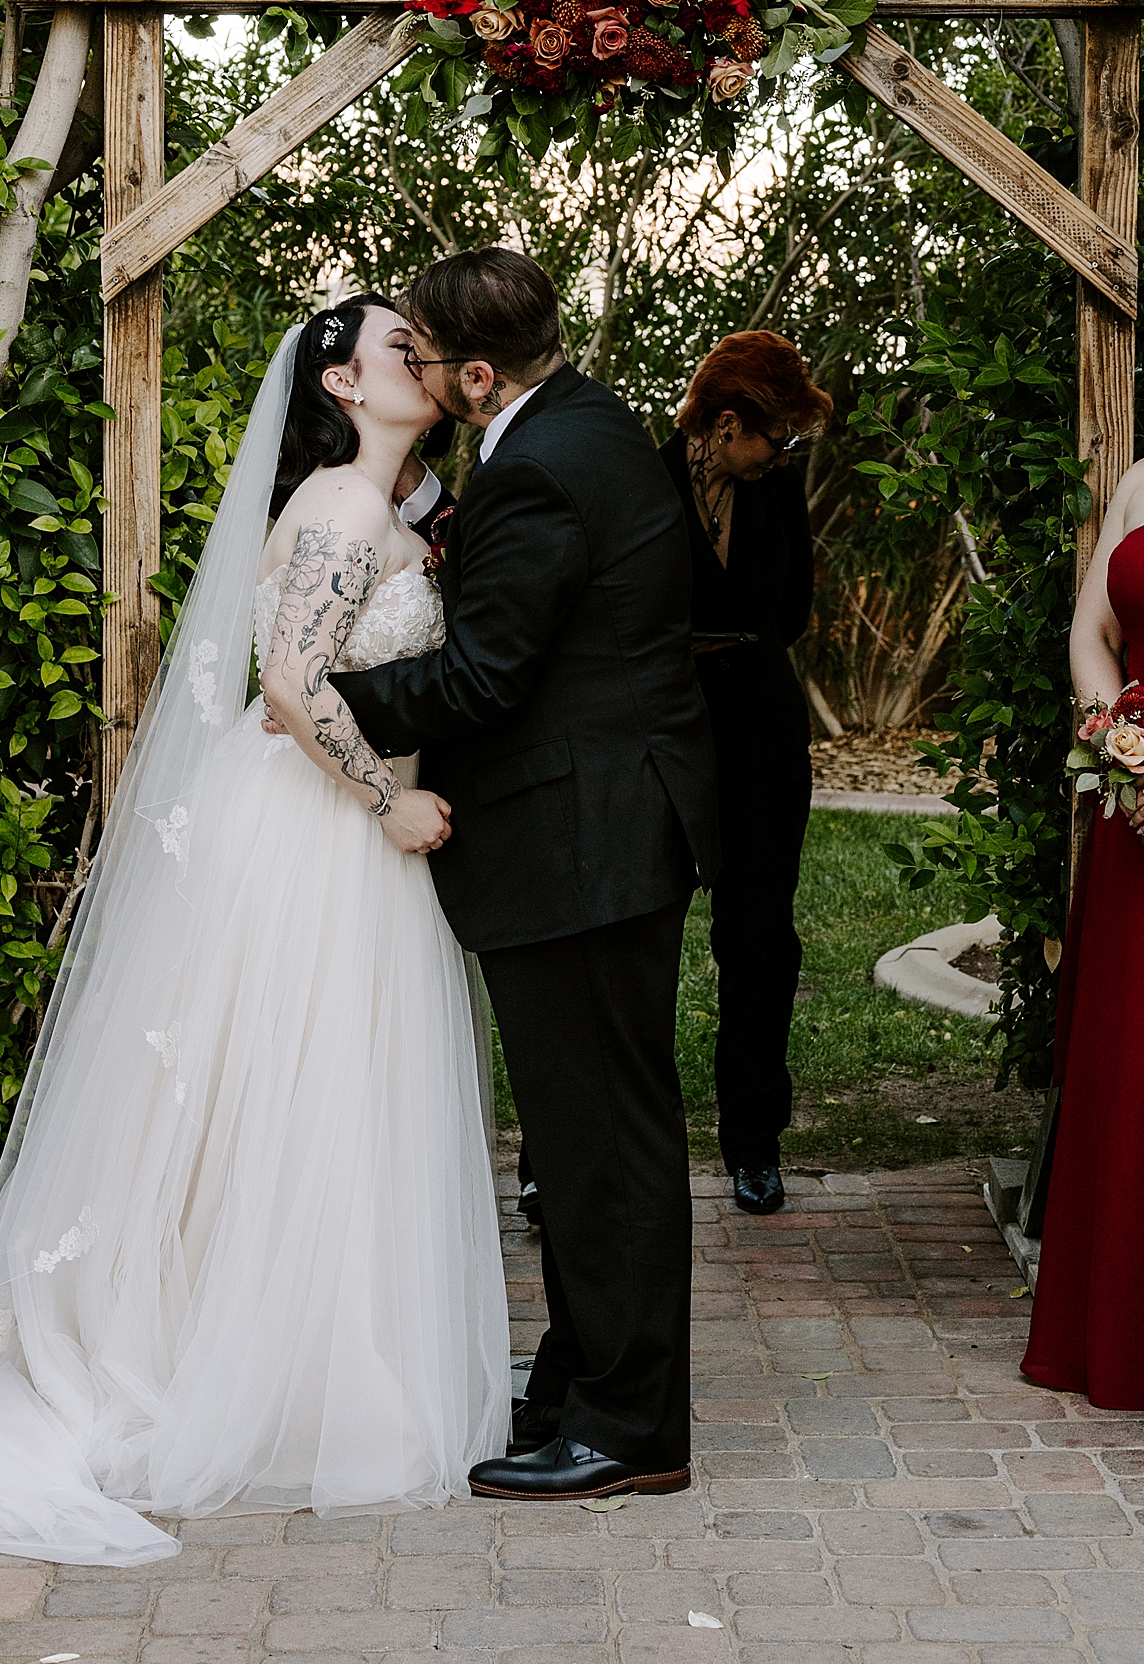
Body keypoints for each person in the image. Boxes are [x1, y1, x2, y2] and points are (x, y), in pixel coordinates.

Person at [0, 298, 510, 1565]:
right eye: (398, 348)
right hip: (320, 830)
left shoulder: (388, 509)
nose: (422, 361)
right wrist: (389, 799)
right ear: (344, 383)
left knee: (322, 1104)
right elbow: (293, 691)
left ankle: (312, 1359)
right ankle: (255, 1371)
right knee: (290, 1096)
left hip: (330, 832)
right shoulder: (345, 511)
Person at [325, 248, 719, 1504]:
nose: (421, 379)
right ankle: (582, 1383)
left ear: (480, 371)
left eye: (429, 361)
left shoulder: (539, 468)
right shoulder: (591, 419)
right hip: (612, 819)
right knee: (590, 1133)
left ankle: (630, 1427)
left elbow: (486, 678)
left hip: (580, 838)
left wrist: (323, 706)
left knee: (599, 1141)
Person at [660, 331, 832, 1219]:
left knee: (760, 943)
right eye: (777, 437)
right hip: (664, 740)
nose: (785, 453)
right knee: (635, 941)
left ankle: (754, 1142)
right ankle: (575, 1152)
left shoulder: (778, 489)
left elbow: (793, 607)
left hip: (764, 740)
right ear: (727, 426)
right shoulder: (645, 483)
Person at [1022, 452, 1144, 1423]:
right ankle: (1119, 1335)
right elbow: (1092, 632)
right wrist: (1131, 747)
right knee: (1135, 1072)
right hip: (1141, 834)